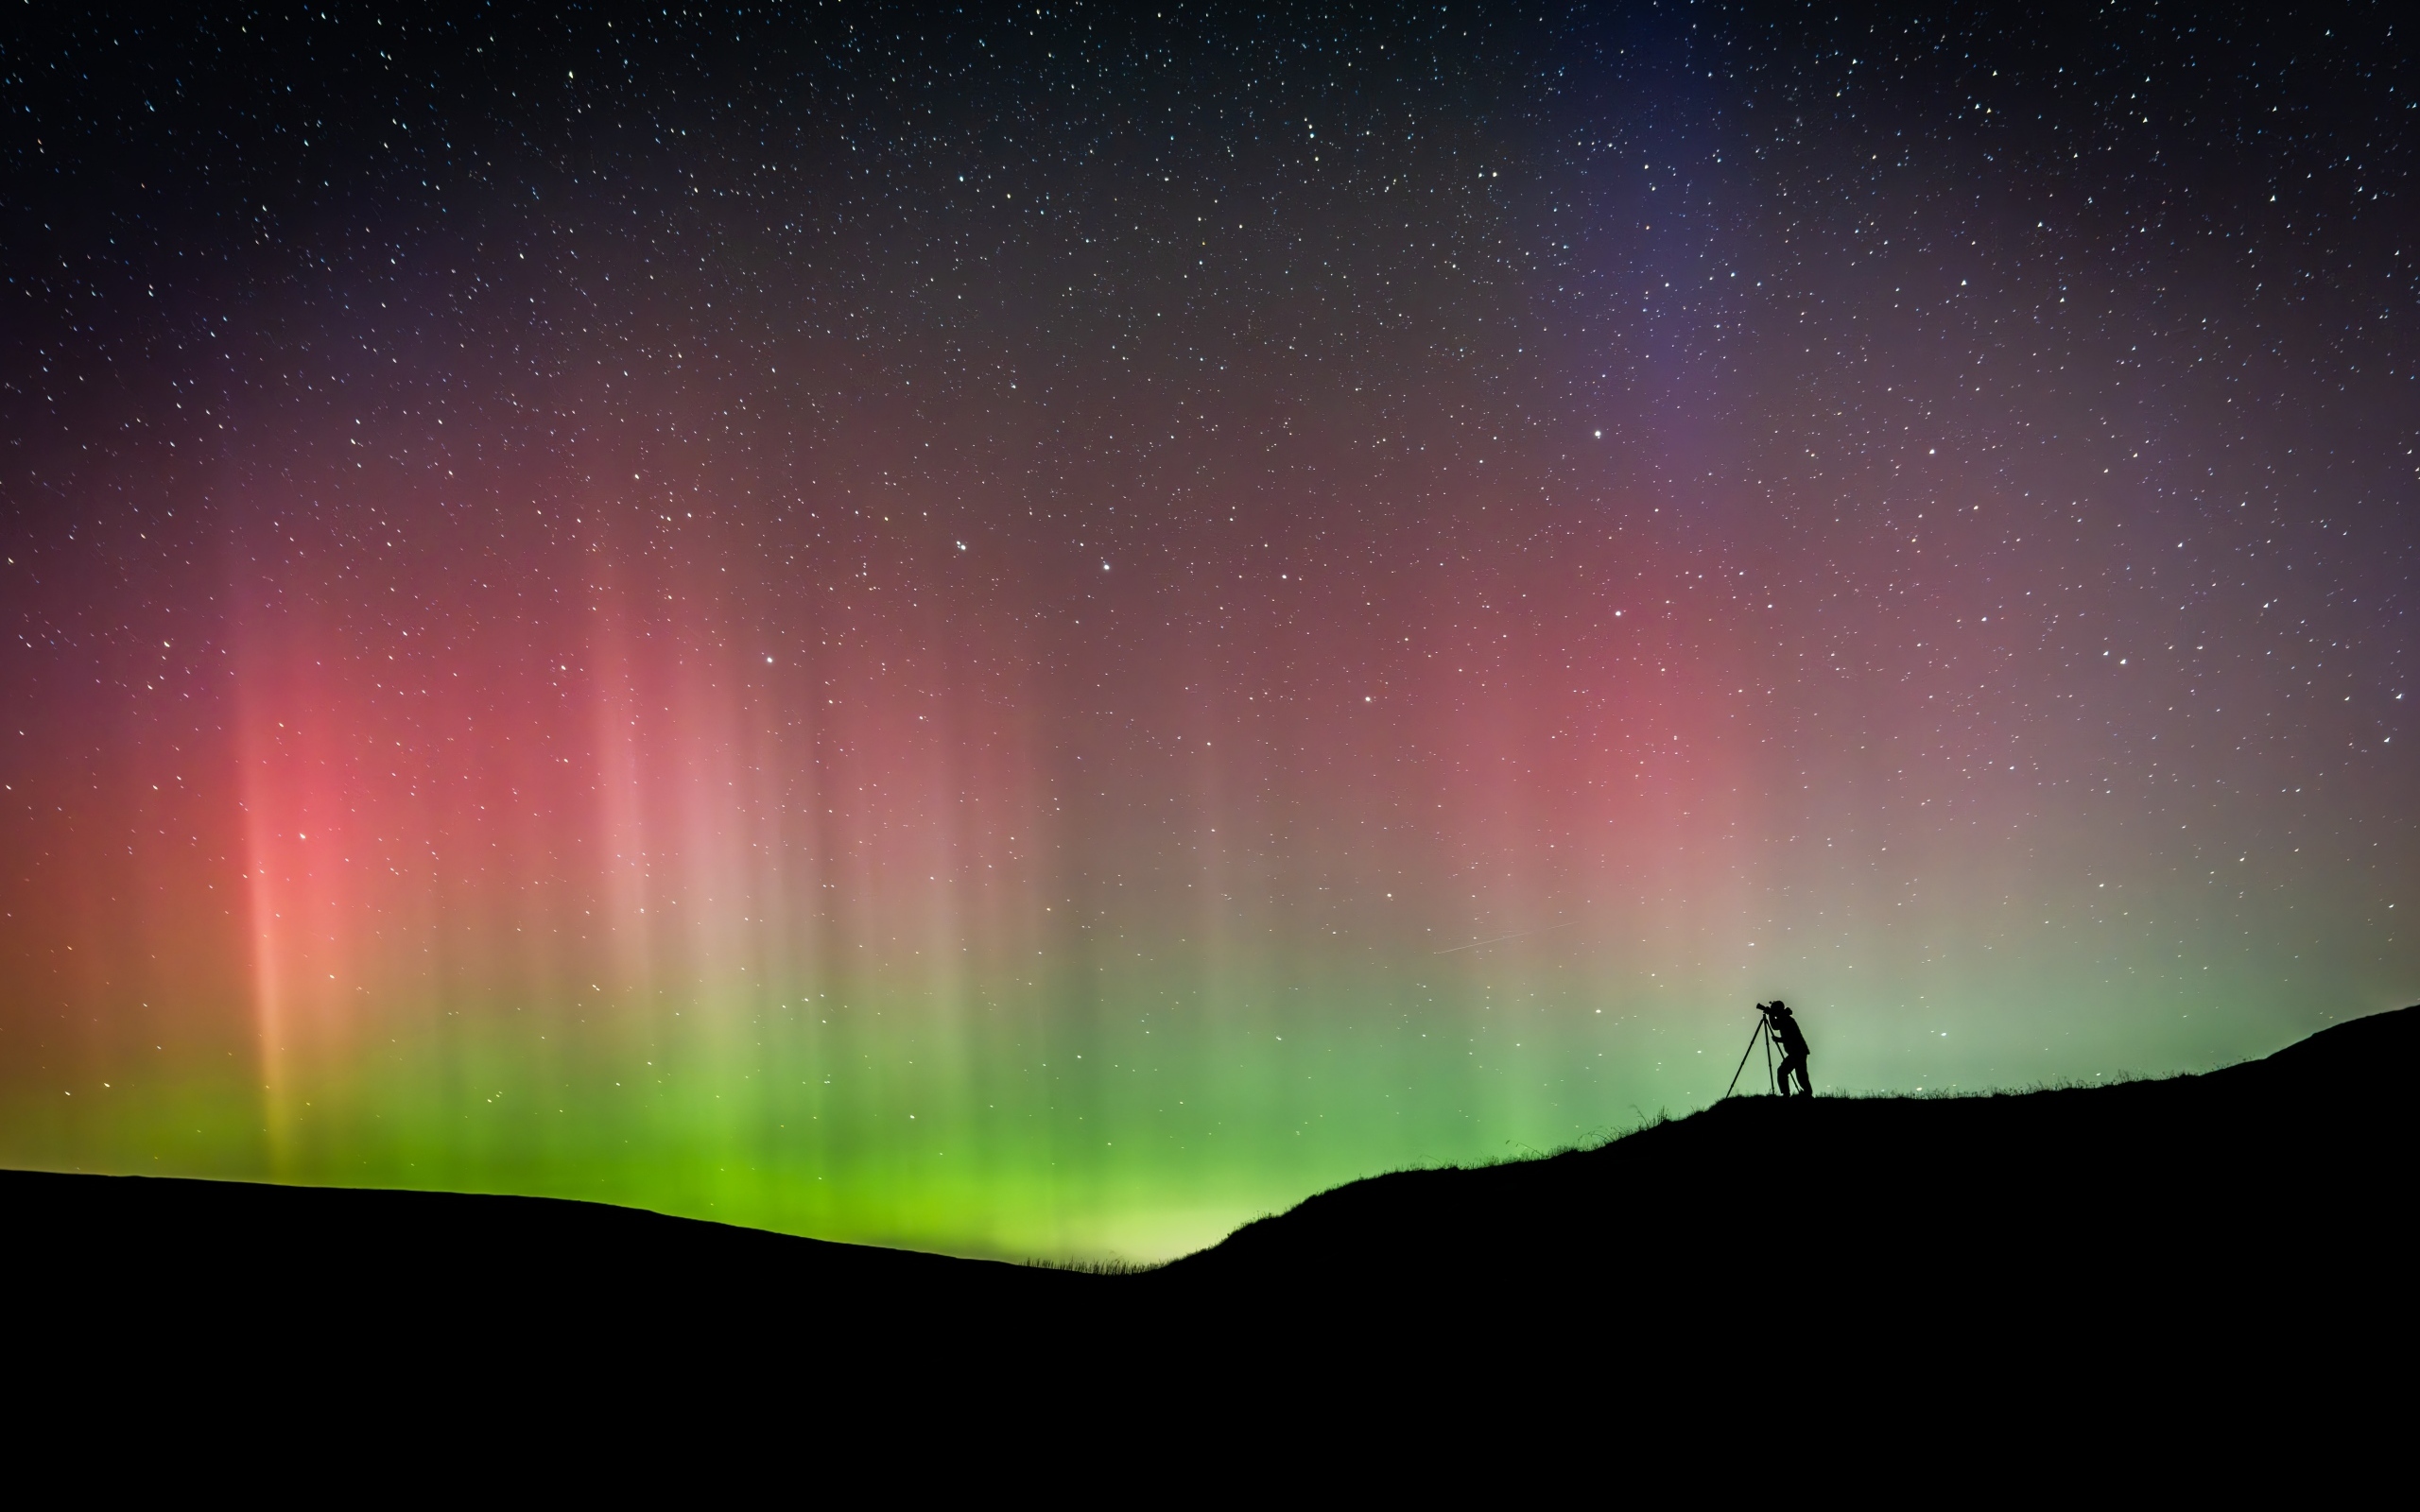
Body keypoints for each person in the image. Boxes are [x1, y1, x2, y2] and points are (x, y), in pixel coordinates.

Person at [1767, 1000, 1812, 1098]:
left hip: (1797, 1052)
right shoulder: (1785, 1018)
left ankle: (1789, 1094)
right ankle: (1806, 1094)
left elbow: (1779, 1029)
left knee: (1786, 1072)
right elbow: (1776, 1026)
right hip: (1798, 1052)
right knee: (1800, 1075)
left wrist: (1770, 1015)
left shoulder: (1786, 1019)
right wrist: (1771, 1014)